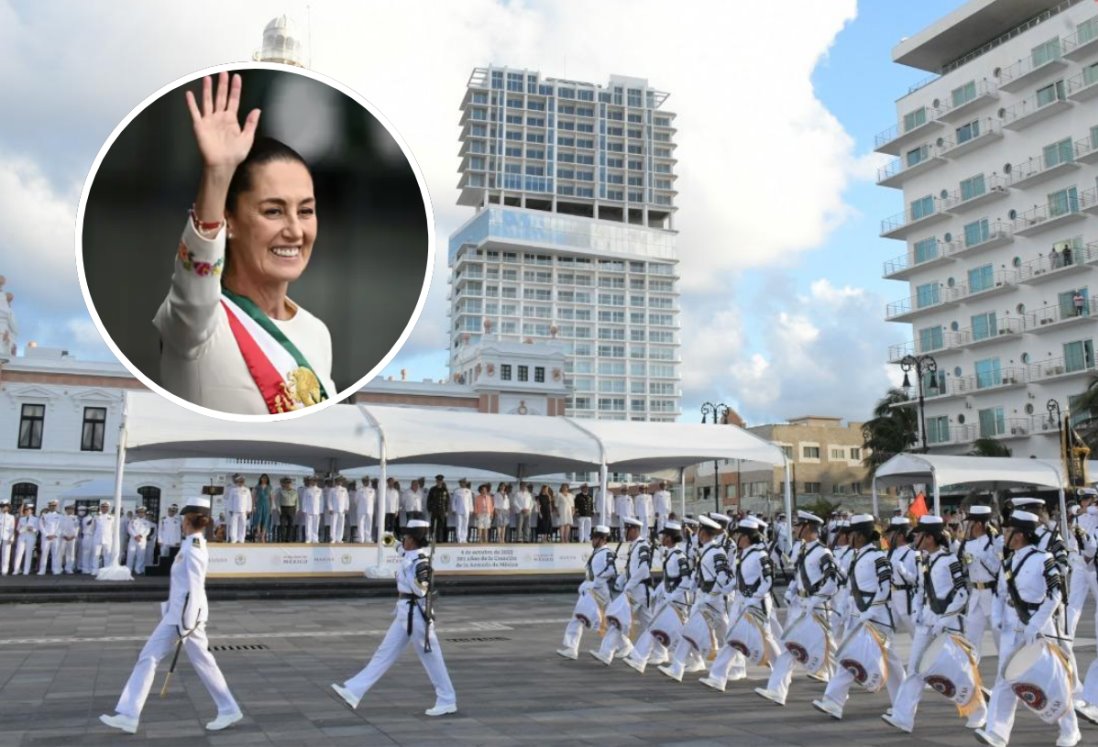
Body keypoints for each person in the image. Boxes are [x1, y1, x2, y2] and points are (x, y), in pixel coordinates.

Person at [157, 72, 333, 415]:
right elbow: (195, 284)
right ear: (230, 221)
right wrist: (218, 174)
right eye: (273, 211)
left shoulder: (318, 333)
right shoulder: (196, 322)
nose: (295, 231)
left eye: (306, 210)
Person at [100, 497, 243, 734]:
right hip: (176, 615)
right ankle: (128, 714)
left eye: (183, 520)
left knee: (202, 662)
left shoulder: (194, 547)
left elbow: (196, 587)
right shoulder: (189, 544)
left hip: (187, 618)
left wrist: (190, 622)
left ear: (188, 520)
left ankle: (228, 709)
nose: (181, 524)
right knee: (148, 657)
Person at [331, 517, 457, 716]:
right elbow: (394, 545)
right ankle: (354, 690)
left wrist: (408, 572)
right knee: (384, 652)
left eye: (406, 536)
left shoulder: (420, 561)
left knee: (431, 657)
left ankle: (447, 699)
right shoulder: (408, 553)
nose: (403, 539)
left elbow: (421, 590)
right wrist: (387, 538)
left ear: (414, 539)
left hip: (417, 613)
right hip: (404, 612)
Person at [975, 510, 1080, 747]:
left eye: (1008, 530)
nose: (1004, 535)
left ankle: (1070, 730)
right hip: (1012, 627)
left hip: (1037, 627)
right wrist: (998, 617)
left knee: (1052, 680)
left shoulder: (1044, 559)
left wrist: (1035, 624)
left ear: (1020, 534)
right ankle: (997, 733)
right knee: (1004, 679)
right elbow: (1001, 593)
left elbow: (1055, 595)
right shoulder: (1008, 561)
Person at [883, 515, 983, 734]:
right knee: (915, 668)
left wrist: (945, 619)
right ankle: (903, 717)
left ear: (929, 537)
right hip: (926, 621)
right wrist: (919, 611)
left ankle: (978, 711)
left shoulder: (950, 561)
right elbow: (920, 589)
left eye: (919, 534)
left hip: (948, 624)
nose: (915, 538)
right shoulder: (923, 560)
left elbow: (962, 593)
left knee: (958, 671)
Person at [811, 514, 905, 721]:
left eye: (851, 534)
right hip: (860, 617)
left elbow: (885, 587)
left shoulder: (878, 557)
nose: (847, 538)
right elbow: (851, 587)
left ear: (860, 536)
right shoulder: (856, 556)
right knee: (885, 664)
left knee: (865, 660)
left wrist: (871, 611)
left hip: (877, 619)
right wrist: (844, 609)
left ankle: (834, 701)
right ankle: (902, 704)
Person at [756, 511, 839, 705]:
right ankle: (777, 690)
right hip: (800, 606)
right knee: (789, 647)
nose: (794, 529)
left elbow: (833, 581)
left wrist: (816, 600)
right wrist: (792, 591)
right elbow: (799, 576)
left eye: (798, 525)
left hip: (817, 609)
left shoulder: (822, 552)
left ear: (808, 528)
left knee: (830, 650)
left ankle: (837, 693)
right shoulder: (803, 549)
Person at [701, 516, 781, 692]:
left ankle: (781, 672)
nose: (737, 538)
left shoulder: (760, 555)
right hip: (743, 602)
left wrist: (755, 598)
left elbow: (768, 581)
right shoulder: (745, 554)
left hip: (757, 604)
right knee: (732, 639)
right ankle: (718, 677)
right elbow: (740, 579)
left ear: (747, 536)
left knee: (767, 639)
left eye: (739, 535)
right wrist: (726, 588)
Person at [659, 516, 734, 682]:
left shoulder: (717, 552)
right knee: (690, 631)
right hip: (703, 599)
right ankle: (678, 667)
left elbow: (722, 576)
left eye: (700, 530)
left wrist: (711, 595)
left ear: (704, 533)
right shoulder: (705, 550)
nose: (697, 533)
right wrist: (693, 586)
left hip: (713, 601)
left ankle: (735, 666)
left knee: (727, 634)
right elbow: (699, 574)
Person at [623, 520, 691, 673]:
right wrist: (659, 591)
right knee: (655, 627)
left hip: (678, 603)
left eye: (664, 536)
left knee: (683, 635)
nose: (662, 538)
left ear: (670, 537)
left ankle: (686, 661)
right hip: (669, 600)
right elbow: (668, 578)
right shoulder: (670, 554)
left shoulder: (679, 556)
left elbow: (686, 580)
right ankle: (640, 659)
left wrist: (673, 596)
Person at [592, 517, 652, 664]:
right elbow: (632, 569)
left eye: (628, 529)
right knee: (650, 624)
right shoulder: (634, 546)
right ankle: (662, 651)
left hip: (638, 590)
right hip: (637, 590)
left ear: (635, 530)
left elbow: (643, 570)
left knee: (617, 619)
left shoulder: (643, 546)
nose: (625, 532)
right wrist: (622, 579)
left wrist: (629, 585)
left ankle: (607, 653)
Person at [558, 524, 618, 659]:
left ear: (602, 539)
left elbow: (611, 571)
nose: (592, 541)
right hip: (593, 592)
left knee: (600, 623)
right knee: (582, 619)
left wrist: (593, 583)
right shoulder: (599, 552)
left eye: (595, 538)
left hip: (598, 593)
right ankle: (572, 648)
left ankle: (623, 648)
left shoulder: (605, 553)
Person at [960, 505, 1000, 662]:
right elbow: (964, 569)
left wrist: (981, 558)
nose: (968, 526)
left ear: (978, 524)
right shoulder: (968, 544)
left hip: (991, 593)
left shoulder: (995, 542)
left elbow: (997, 568)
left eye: (971, 523)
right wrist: (965, 562)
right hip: (976, 593)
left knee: (999, 636)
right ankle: (971, 677)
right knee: (971, 638)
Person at [887, 516, 918, 636]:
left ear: (900, 535)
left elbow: (917, 580)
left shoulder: (912, 554)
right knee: (887, 632)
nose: (888, 537)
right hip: (892, 597)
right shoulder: (889, 553)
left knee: (915, 632)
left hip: (906, 597)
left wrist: (903, 571)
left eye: (891, 534)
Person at [125, 506, 153, 575]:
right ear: (137, 513)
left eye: (142, 512)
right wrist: (135, 536)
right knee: (131, 555)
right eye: (140, 512)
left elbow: (147, 531)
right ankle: (129, 569)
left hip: (142, 540)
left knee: (141, 556)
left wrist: (141, 536)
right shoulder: (133, 520)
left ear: (144, 513)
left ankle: (138, 569)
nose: (141, 513)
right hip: (133, 540)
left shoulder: (147, 522)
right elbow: (129, 529)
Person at [37, 499, 62, 575]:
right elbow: (41, 526)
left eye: (54, 506)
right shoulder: (44, 516)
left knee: (55, 554)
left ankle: (55, 569)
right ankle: (42, 570)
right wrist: (46, 534)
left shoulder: (60, 516)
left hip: (55, 537)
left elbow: (61, 527)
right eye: (51, 506)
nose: (53, 507)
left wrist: (56, 534)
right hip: (46, 537)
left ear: (56, 506)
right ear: (48, 506)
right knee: (44, 553)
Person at [225, 475, 252, 544]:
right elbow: (230, 500)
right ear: (237, 482)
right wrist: (230, 509)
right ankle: (234, 539)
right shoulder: (233, 490)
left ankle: (241, 539)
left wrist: (249, 510)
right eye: (239, 481)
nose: (241, 483)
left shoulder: (247, 490)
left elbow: (249, 500)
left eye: (242, 481)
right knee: (234, 525)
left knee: (243, 525)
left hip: (244, 511)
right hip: (235, 510)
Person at [13, 504, 38, 575]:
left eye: (29, 510)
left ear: (32, 511)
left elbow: (37, 529)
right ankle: (16, 570)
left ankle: (26, 570)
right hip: (22, 536)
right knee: (19, 553)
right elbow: (18, 528)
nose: (27, 511)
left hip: (31, 537)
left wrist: (32, 529)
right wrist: (23, 529)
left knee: (28, 553)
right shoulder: (21, 519)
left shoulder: (35, 519)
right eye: (26, 510)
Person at [300, 475, 324, 544]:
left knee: (316, 525)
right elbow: (304, 500)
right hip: (308, 510)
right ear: (310, 481)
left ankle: (315, 539)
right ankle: (308, 538)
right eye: (312, 480)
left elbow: (321, 501)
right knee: (308, 525)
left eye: (315, 481)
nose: (314, 482)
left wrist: (321, 510)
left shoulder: (320, 490)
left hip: (317, 510)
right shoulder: (307, 490)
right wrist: (304, 510)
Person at [427, 475, 450, 544]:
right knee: (433, 525)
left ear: (442, 481)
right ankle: (433, 538)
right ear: (436, 481)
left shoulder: (445, 489)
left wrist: (446, 510)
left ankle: (440, 539)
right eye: (438, 481)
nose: (439, 482)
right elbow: (429, 500)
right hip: (434, 510)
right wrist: (429, 509)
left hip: (442, 510)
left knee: (441, 525)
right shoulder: (432, 489)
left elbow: (447, 501)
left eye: (440, 481)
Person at [274, 477, 298, 542]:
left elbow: (297, 501)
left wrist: (296, 510)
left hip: (292, 508)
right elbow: (277, 501)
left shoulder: (295, 491)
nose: (287, 484)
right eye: (286, 483)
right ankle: (283, 538)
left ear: (291, 483)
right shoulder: (281, 491)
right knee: (282, 524)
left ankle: (289, 539)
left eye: (289, 483)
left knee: (291, 525)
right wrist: (278, 509)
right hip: (283, 508)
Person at [327, 475, 349, 544]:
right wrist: (330, 508)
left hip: (342, 510)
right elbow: (329, 500)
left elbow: (346, 500)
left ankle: (339, 538)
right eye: (338, 481)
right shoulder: (332, 490)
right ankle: (333, 538)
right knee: (333, 524)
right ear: (336, 482)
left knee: (341, 524)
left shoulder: (344, 489)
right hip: (334, 510)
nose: (340, 482)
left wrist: (346, 508)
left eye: (341, 481)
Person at [352, 478, 376, 544]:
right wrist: (361, 505)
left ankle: (368, 538)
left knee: (369, 524)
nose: (366, 482)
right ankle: (361, 538)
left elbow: (374, 500)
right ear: (363, 482)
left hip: (370, 509)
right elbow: (355, 500)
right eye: (365, 481)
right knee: (360, 524)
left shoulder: (372, 490)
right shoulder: (359, 490)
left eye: (367, 481)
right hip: (361, 509)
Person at [250, 474, 272, 543]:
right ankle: (259, 535)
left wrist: (271, 507)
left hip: (266, 505)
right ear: (260, 479)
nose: (264, 479)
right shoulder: (257, 487)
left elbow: (271, 498)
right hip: (259, 504)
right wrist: (253, 506)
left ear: (267, 479)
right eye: (263, 478)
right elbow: (253, 498)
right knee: (258, 520)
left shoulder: (269, 487)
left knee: (265, 521)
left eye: (265, 478)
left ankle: (263, 536)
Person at [451, 479, 473, 544]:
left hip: (466, 509)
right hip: (458, 509)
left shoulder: (469, 491)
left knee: (465, 524)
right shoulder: (456, 491)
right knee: (459, 524)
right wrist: (453, 509)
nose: (463, 484)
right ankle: (459, 538)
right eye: (461, 483)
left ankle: (464, 538)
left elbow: (470, 501)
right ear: (459, 484)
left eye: (464, 483)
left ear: (465, 483)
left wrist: (471, 509)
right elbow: (453, 501)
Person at [0, 502, 14, 575]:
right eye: (2, 506)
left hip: (7, 537)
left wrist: (11, 538)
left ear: (8, 507)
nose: (3, 508)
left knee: (6, 555)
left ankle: (4, 570)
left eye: (5, 506)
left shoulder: (11, 517)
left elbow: (12, 528)